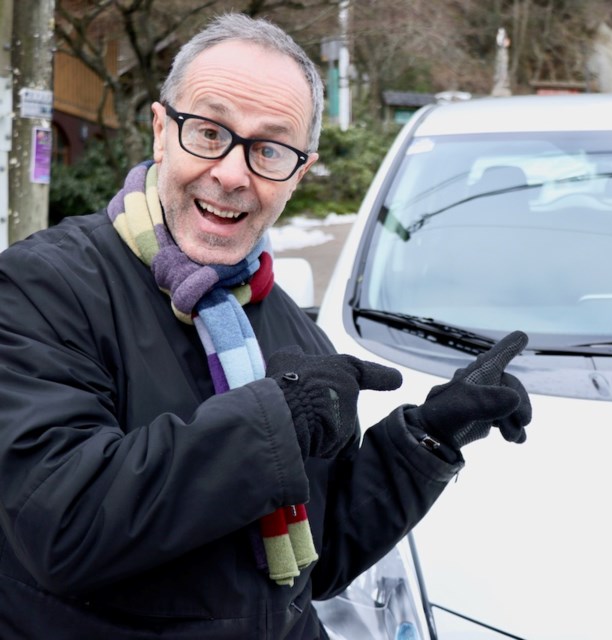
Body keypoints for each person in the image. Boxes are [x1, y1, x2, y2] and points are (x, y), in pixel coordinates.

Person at [0, 12, 531, 639]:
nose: (231, 172)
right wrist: (276, 419)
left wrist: (424, 444)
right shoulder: (42, 288)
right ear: (160, 131)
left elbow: (313, 564)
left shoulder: (288, 328)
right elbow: (62, 527)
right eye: (208, 131)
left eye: (269, 149)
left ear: (299, 174)